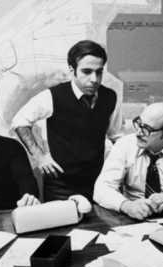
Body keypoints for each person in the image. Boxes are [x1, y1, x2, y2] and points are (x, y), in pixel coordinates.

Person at [11, 40, 121, 201]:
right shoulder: (53, 96)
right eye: (87, 71)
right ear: (72, 70)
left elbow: (115, 135)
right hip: (61, 186)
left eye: (99, 72)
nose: (94, 79)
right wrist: (40, 156)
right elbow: (19, 121)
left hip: (98, 183)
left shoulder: (110, 97)